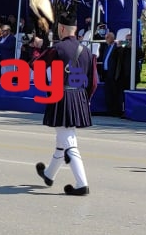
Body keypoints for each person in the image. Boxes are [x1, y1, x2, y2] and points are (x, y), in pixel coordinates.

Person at [33, 13, 98, 196]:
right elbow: (93, 81)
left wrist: (38, 50)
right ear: (75, 29)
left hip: (61, 95)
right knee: (63, 138)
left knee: (69, 140)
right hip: (80, 95)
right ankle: (49, 174)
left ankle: (82, 183)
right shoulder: (87, 51)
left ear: (61, 28)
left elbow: (36, 66)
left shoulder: (56, 49)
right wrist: (86, 99)